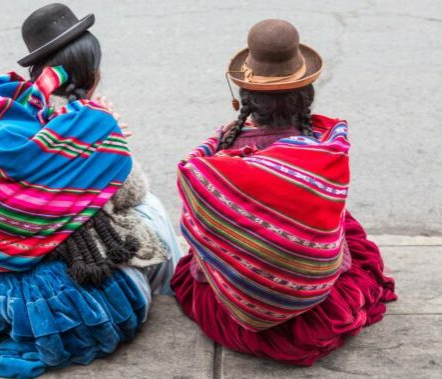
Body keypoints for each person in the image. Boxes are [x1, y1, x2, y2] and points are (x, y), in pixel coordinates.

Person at [0, 4, 182, 378]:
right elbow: (128, 195)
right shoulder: (89, 124)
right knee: (149, 209)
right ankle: (170, 290)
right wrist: (109, 140)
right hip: (49, 285)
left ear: (38, 69)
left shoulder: (0, 106)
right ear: (92, 71)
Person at [170, 19, 397, 366]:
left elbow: (204, 244)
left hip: (235, 299)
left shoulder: (213, 162)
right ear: (306, 95)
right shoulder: (324, 152)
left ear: (245, 97)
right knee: (342, 222)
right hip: (314, 299)